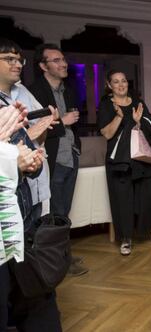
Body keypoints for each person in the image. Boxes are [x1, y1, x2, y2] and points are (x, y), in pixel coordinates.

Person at [0, 38, 62, 332]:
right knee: (22, 279)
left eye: (18, 59)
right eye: (8, 58)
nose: (16, 64)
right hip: (6, 214)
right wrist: (16, 160)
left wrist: (34, 142)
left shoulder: (13, 98)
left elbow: (23, 149)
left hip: (19, 207)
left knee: (27, 276)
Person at [29, 43, 88, 276]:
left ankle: (64, 257)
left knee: (63, 211)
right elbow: (32, 131)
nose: (63, 64)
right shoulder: (34, 93)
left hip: (70, 157)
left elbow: (77, 124)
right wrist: (62, 121)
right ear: (43, 66)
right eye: (56, 60)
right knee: (53, 213)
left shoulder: (69, 90)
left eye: (63, 59)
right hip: (51, 161)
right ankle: (56, 262)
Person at [98, 70, 151, 255]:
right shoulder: (106, 105)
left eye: (123, 81)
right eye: (116, 82)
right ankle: (126, 237)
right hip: (120, 161)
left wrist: (138, 122)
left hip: (142, 159)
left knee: (148, 196)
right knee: (123, 199)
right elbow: (107, 134)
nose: (121, 85)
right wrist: (119, 116)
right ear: (109, 85)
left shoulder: (138, 102)